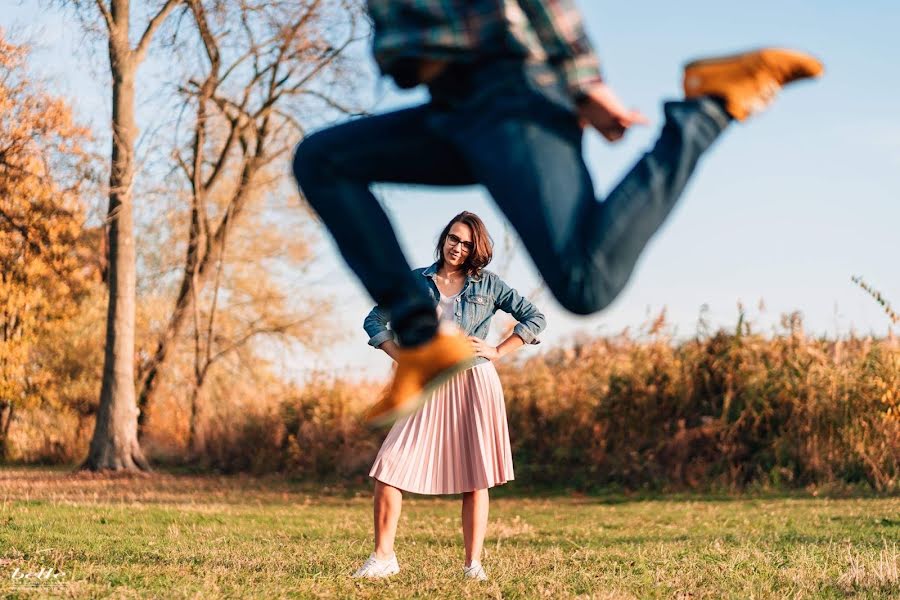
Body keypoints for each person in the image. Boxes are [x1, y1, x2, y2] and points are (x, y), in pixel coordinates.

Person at [292, 0, 824, 424]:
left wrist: (584, 81)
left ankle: (708, 107)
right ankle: (421, 341)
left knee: (585, 285)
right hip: (452, 109)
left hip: (512, 97)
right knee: (322, 161)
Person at [351, 211, 545, 580]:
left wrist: (498, 351)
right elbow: (374, 320)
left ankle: (473, 566)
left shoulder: (490, 285)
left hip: (474, 381)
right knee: (389, 468)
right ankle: (383, 558)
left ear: (477, 249)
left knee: (476, 476)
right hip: (425, 384)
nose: (458, 247)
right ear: (444, 238)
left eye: (467, 243)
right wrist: (405, 357)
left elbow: (534, 319)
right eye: (454, 238)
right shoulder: (414, 282)